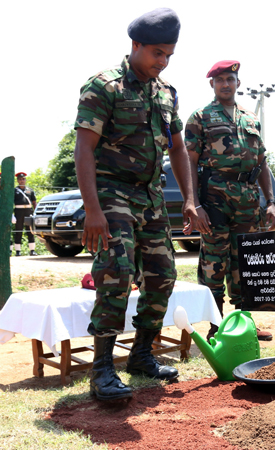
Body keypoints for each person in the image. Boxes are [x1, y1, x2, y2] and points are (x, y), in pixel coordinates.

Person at [73, 8, 199, 402]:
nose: (162, 62)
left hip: (151, 197)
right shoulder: (103, 86)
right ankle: (102, 369)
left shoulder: (166, 93)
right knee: (116, 271)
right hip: (111, 193)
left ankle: (142, 354)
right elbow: (84, 150)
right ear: (136, 45)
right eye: (157, 53)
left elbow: (178, 150)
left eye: (169, 56)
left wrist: (191, 201)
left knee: (163, 273)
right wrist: (93, 210)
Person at [185, 60, 275, 342]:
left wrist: (271, 201)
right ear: (212, 84)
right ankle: (217, 326)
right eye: (220, 80)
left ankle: (244, 322)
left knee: (247, 262)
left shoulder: (251, 119)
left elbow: (262, 163)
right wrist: (193, 203)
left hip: (248, 199)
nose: (226, 84)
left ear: (238, 83)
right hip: (214, 196)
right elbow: (189, 161)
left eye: (230, 79)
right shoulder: (200, 117)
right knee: (215, 263)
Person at [13, 172, 37, 256]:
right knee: (18, 230)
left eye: (23, 179)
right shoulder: (14, 191)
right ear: (18, 180)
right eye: (20, 179)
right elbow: (11, 203)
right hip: (18, 212)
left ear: (25, 180)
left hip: (28, 211)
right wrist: (12, 215)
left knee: (30, 231)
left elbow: (34, 202)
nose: (22, 180)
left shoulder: (30, 190)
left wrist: (35, 212)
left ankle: (32, 250)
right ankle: (18, 251)